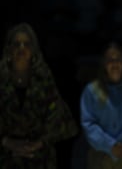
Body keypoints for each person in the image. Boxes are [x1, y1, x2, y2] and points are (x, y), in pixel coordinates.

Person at [0, 22, 79, 169]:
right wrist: (7, 142)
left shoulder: (44, 77)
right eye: (17, 44)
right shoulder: (1, 77)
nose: (21, 48)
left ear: (33, 49)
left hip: (40, 157)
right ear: (9, 48)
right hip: (5, 156)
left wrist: (39, 143)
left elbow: (60, 118)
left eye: (26, 44)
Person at [80, 41, 122, 169]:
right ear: (104, 64)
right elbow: (88, 123)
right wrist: (110, 145)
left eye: (118, 60)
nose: (115, 64)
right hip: (100, 155)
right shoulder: (91, 91)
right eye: (110, 60)